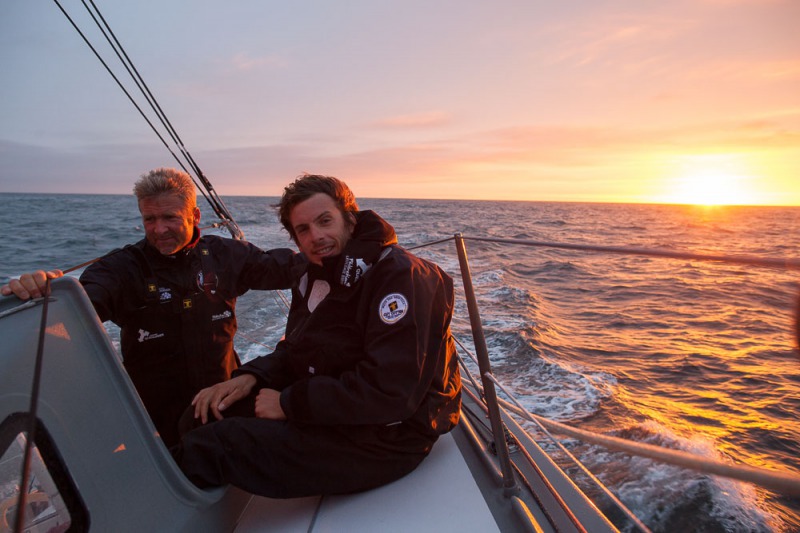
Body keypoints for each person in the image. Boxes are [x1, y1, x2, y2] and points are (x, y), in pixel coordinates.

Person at [173, 174, 461, 498]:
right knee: (201, 414)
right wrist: (251, 377)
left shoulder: (400, 276)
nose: (317, 236)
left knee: (211, 447)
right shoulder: (315, 273)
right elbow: (301, 349)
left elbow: (389, 392)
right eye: (304, 229)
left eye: (325, 221)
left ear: (349, 218)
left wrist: (288, 403)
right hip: (337, 407)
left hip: (391, 434)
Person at [0, 168, 301, 446]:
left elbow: (292, 268)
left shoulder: (226, 256)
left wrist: (342, 240)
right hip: (152, 421)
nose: (159, 230)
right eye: (149, 219)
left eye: (170, 217)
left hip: (223, 402)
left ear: (195, 215)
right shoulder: (122, 269)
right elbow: (76, 306)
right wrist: (41, 294)